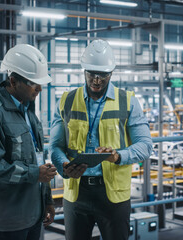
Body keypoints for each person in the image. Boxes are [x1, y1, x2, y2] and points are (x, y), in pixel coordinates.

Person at [50, 39, 153, 240]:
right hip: (76, 192)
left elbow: (145, 145)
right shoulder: (66, 101)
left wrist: (118, 155)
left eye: (103, 75)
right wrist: (62, 165)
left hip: (113, 194)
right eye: (91, 74)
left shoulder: (128, 101)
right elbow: (55, 146)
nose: (97, 80)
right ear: (84, 71)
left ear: (111, 72)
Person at [0, 44, 57, 240]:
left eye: (40, 83)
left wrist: (47, 200)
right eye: (32, 83)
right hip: (8, 221)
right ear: (13, 81)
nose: (39, 89)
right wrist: (34, 173)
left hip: (34, 215)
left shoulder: (28, 113)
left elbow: (38, 160)